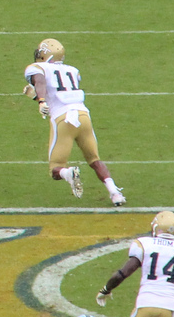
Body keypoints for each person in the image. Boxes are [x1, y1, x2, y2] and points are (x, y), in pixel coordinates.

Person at [23, 38, 126, 206]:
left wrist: (40, 100)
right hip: (83, 116)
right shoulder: (73, 71)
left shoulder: (38, 68)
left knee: (55, 169)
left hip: (63, 120)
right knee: (94, 159)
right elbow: (61, 92)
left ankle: (68, 173)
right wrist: (37, 97)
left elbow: (41, 82)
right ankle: (115, 192)